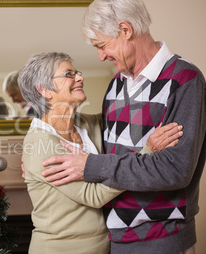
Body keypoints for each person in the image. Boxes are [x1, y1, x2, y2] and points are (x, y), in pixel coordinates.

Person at [41, 0, 206, 254]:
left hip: (162, 240)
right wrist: (42, 147)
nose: (101, 57)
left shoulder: (185, 80)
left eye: (102, 45)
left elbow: (175, 171)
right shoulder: (115, 86)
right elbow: (102, 146)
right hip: (116, 240)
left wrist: (92, 165)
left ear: (125, 30)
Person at [19, 52, 182, 253]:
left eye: (76, 72)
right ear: (44, 90)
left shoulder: (90, 124)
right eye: (68, 74)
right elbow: (93, 195)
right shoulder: (39, 143)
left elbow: (126, 117)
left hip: (104, 247)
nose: (80, 77)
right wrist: (147, 152)